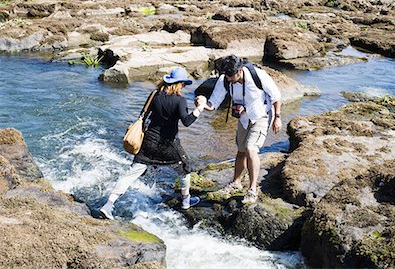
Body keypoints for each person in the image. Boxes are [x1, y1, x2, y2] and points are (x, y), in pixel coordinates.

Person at [100, 67, 207, 220]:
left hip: (148, 142)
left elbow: (144, 115)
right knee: (184, 168)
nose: (183, 87)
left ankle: (108, 205)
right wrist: (200, 108)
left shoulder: (154, 94)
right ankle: (185, 202)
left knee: (130, 174)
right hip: (168, 144)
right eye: (183, 84)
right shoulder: (180, 100)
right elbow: (187, 121)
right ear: (179, 84)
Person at [195, 55, 281, 204]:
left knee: (250, 148)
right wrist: (202, 104)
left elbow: (276, 96)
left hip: (261, 116)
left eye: (231, 76)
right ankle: (236, 182)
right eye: (226, 76)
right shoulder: (225, 80)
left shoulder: (257, 75)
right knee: (241, 151)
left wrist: (277, 117)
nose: (228, 79)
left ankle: (253, 189)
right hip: (243, 119)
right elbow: (213, 104)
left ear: (239, 71)